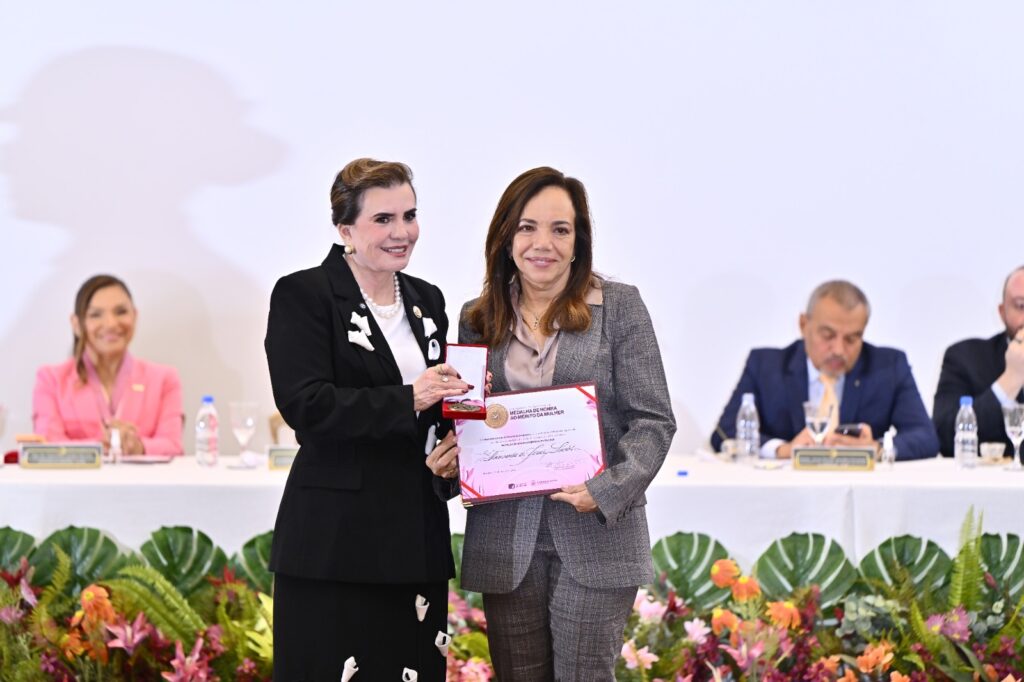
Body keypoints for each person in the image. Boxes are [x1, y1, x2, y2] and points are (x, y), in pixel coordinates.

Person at [454, 166, 676, 681]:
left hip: (596, 534)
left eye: (560, 229)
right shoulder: (477, 316)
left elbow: (653, 420)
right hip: (505, 539)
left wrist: (606, 489)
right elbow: (466, 417)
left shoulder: (619, 307)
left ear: (579, 241)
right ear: (506, 237)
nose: (543, 243)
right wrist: (453, 453)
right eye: (527, 227)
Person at [264, 158, 471, 681]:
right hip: (336, 545)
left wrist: (450, 452)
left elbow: (437, 409)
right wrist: (408, 399)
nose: (402, 232)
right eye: (383, 219)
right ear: (345, 230)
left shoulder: (428, 300)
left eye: (409, 215)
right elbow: (306, 406)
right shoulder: (304, 295)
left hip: (416, 540)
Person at [712, 280, 938, 460]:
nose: (839, 350)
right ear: (803, 325)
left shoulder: (888, 367)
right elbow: (724, 433)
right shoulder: (766, 365)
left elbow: (925, 437)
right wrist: (782, 449)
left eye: (851, 339)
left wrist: (876, 448)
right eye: (828, 335)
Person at [32, 274, 183, 455]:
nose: (111, 324)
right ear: (76, 324)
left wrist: (138, 446)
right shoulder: (51, 379)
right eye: (96, 315)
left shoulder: (164, 379)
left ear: (135, 316)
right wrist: (103, 445)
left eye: (121, 312)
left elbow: (173, 445)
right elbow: (47, 445)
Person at [933, 266, 1024, 457]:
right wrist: (1011, 380)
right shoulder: (965, 357)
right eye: (1021, 306)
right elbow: (944, 437)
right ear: (1002, 312)